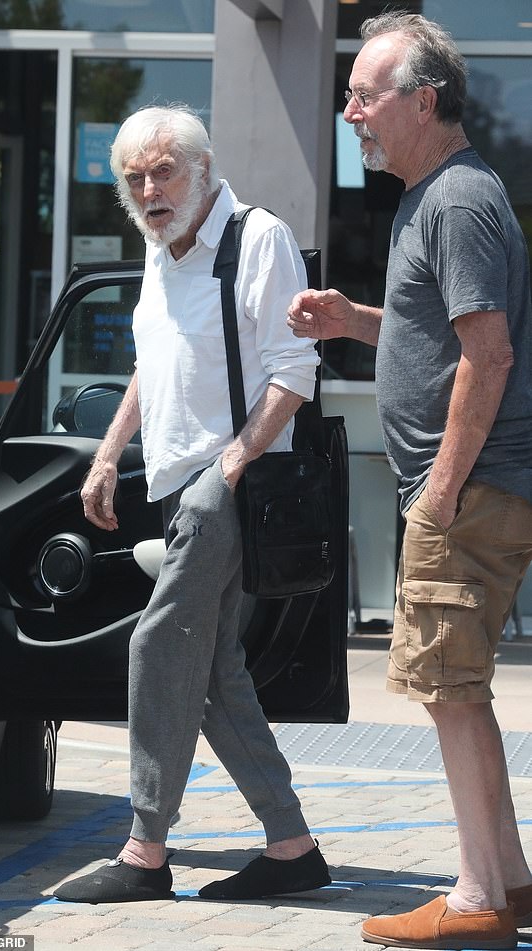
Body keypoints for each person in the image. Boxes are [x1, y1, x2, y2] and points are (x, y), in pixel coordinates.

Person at [288, 12, 532, 951]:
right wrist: (354, 318)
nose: (350, 112)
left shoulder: (459, 200)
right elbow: (440, 337)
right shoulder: (434, 197)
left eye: (363, 94)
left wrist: (438, 489)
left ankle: (475, 899)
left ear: (423, 100)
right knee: (455, 683)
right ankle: (505, 878)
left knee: (449, 685)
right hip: (467, 487)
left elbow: (490, 352)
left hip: (464, 490)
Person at [53, 104, 331, 904]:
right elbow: (154, 361)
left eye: (163, 170)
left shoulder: (256, 238)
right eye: (135, 178)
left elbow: (294, 371)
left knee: (159, 647)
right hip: (174, 482)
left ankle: (145, 848)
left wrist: (229, 469)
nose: (149, 188)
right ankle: (292, 845)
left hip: (230, 486)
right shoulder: (159, 249)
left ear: (201, 167)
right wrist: (109, 456)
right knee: (213, 675)